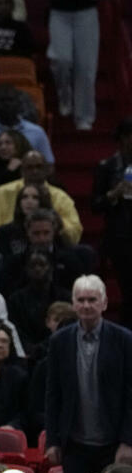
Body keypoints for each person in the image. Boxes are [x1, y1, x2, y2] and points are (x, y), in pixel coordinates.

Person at [45, 275, 132, 473]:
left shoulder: (124, 339)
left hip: (114, 444)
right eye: (81, 300)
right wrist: (52, 441)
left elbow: (130, 394)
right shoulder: (60, 341)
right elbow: (53, 394)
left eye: (92, 300)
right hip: (74, 445)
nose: (86, 305)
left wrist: (128, 441)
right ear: (73, 304)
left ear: (104, 303)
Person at [37, 0, 113, 131]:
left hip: (86, 13)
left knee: (85, 67)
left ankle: (84, 115)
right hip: (60, 13)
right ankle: (64, 93)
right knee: (61, 60)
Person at [91, 116, 132, 327]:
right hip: (121, 236)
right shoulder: (106, 167)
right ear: (123, 138)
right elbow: (95, 205)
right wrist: (113, 194)